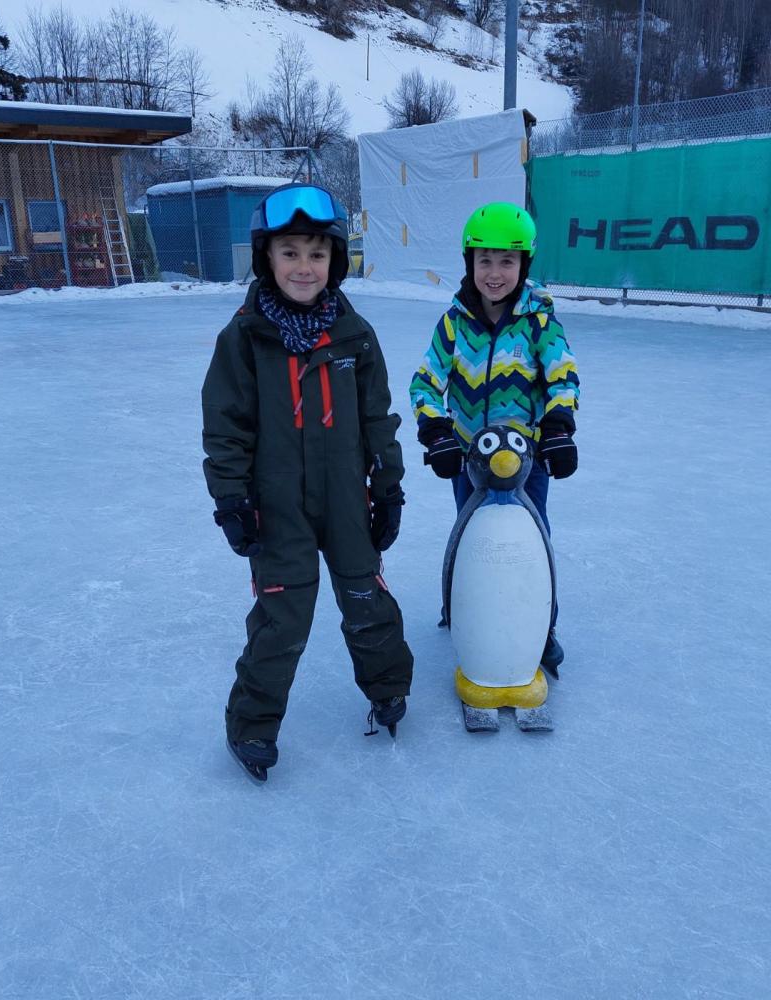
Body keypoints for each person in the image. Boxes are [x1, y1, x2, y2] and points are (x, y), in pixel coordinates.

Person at [201, 183, 413, 782]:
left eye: (317, 254)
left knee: (367, 598)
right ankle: (252, 726)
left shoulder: (354, 335)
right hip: (277, 508)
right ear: (266, 258)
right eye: (290, 252)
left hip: (346, 499)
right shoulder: (244, 338)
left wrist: (388, 487)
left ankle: (388, 689)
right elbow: (225, 427)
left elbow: (377, 420)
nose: (304, 266)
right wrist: (232, 499)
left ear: (334, 261)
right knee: (282, 618)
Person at [408, 201, 580, 673]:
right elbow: (425, 382)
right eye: (485, 260)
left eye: (507, 261)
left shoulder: (539, 322)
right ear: (470, 263)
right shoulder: (453, 323)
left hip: (527, 461)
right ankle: (461, 606)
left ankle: (542, 628)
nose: (495, 273)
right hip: (470, 458)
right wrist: (437, 433)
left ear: (524, 264)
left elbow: (563, 377)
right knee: (469, 534)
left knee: (533, 540)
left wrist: (558, 428)